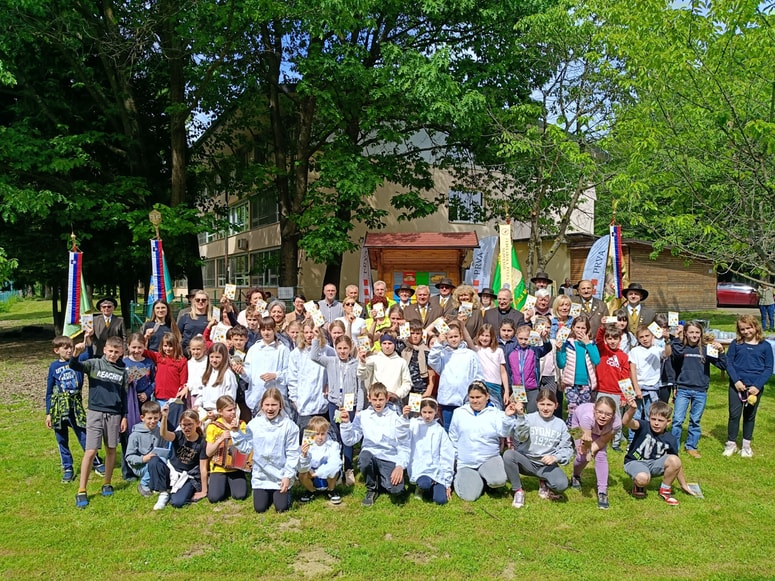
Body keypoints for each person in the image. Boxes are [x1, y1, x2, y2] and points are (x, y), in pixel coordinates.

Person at [69, 335, 128, 508]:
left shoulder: (122, 371)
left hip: (114, 414)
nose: (113, 354)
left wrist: (124, 415)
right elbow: (75, 366)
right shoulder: (94, 364)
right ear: (104, 350)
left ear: (121, 353)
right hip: (95, 412)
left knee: (111, 449)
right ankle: (81, 489)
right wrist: (75, 354)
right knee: (91, 451)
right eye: (110, 351)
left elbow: (123, 395)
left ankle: (107, 482)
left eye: (116, 352)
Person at [45, 335, 104, 483]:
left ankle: (96, 462)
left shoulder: (78, 360)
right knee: (61, 438)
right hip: (59, 406)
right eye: (65, 348)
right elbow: (49, 391)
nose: (69, 351)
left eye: (70, 347)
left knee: (83, 434)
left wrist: (88, 338)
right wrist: (48, 413)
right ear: (56, 350)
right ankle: (67, 467)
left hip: (75, 404)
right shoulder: (54, 367)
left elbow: (89, 352)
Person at [340, 383, 411, 507]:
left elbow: (404, 444)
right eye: (374, 399)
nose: (378, 403)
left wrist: (400, 466)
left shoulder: (395, 417)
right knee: (364, 458)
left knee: (397, 490)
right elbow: (350, 440)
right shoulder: (362, 416)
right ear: (369, 398)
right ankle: (371, 488)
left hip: (389, 457)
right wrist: (346, 424)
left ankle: (382, 480)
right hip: (371, 454)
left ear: (387, 398)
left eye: (381, 399)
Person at [231, 388, 300, 513]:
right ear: (262, 406)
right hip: (261, 475)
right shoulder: (254, 424)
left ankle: (284, 493)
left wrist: (288, 476)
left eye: (274, 405)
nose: (270, 408)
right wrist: (236, 432)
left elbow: (293, 453)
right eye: (267, 405)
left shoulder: (289, 426)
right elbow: (246, 448)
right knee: (260, 508)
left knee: (281, 508)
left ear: (280, 406)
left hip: (280, 474)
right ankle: (266, 494)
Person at [448, 381, 518, 502]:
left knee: (498, 480)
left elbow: (505, 433)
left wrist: (507, 417)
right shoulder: (459, 413)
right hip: (466, 462)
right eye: (472, 397)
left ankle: (486, 478)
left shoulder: (496, 413)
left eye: (478, 397)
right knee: (470, 496)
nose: (475, 401)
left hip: (489, 458)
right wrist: (454, 462)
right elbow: (453, 438)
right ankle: (474, 480)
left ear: (487, 396)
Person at [310, 333, 364, 486]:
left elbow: (361, 387)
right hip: (335, 404)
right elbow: (314, 356)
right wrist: (316, 337)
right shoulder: (330, 361)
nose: (342, 351)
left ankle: (348, 469)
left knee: (348, 437)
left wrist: (358, 407)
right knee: (337, 437)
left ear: (350, 348)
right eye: (339, 348)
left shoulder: (355, 363)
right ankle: (336, 469)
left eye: (345, 348)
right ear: (335, 348)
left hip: (350, 404)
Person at [504, 389, 572, 508]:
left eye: (549, 404)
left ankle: (543, 481)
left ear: (556, 406)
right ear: (537, 404)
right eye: (542, 404)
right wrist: (520, 416)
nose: (545, 408)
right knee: (509, 455)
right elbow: (520, 437)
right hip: (527, 461)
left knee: (561, 484)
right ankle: (518, 491)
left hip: (546, 465)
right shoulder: (528, 418)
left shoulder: (560, 424)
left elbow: (567, 448)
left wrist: (556, 457)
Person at [670, 320, 726, 458]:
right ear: (686, 334)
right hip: (683, 389)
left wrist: (722, 351)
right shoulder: (681, 348)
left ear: (701, 334)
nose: (694, 335)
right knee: (677, 420)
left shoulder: (707, 349)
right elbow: (675, 356)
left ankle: (691, 446)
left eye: (697, 332)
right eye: (691, 332)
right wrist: (677, 336)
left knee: (695, 420)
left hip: (700, 391)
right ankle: (673, 448)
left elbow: (723, 365)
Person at [622, 399, 694, 504]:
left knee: (675, 460)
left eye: (660, 420)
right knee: (642, 479)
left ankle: (665, 490)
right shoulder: (643, 426)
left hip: (653, 465)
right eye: (653, 419)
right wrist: (632, 409)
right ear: (649, 418)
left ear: (668, 422)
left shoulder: (670, 439)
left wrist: (683, 484)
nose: (656, 423)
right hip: (634, 462)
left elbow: (677, 465)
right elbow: (626, 422)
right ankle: (638, 485)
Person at [723, 315, 773, 458]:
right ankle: (731, 444)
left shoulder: (765, 346)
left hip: (754, 388)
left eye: (748, 328)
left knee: (750, 416)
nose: (746, 331)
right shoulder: (736, 344)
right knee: (734, 415)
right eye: (742, 329)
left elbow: (768, 368)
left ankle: (746, 446)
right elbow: (729, 363)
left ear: (755, 327)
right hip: (737, 386)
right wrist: (736, 381)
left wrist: (757, 386)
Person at [147, 407, 208, 510]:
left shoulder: (201, 443)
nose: (186, 428)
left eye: (190, 425)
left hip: (187, 476)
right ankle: (163, 493)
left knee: (177, 502)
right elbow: (164, 434)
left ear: (198, 424)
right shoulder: (179, 435)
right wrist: (165, 417)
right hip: (172, 471)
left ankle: (176, 490)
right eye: (183, 425)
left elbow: (203, 468)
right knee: (154, 460)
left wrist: (204, 491)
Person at [428, 321, 482, 429]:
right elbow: (432, 360)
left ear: (461, 336)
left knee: (464, 428)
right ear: (446, 338)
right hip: (447, 400)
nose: (453, 339)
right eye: (450, 337)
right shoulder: (443, 354)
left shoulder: (470, 354)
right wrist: (438, 343)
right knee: (448, 427)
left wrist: (476, 393)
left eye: (456, 336)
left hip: (465, 400)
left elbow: (478, 375)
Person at [569, 396, 620, 509]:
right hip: (578, 423)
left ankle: (602, 492)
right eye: (600, 412)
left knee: (601, 455)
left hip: (600, 431)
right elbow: (586, 442)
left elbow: (602, 440)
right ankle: (575, 475)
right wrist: (587, 452)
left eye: (608, 414)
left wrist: (592, 451)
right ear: (594, 410)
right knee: (582, 456)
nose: (603, 416)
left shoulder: (616, 424)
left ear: (613, 414)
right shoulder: (587, 418)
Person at [595, 324, 640, 451]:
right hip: (601, 390)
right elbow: (598, 339)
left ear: (620, 340)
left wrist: (624, 396)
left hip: (616, 392)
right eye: (609, 338)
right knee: (599, 415)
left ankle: (616, 442)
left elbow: (625, 377)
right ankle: (598, 438)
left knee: (616, 418)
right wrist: (602, 327)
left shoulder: (624, 357)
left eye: (615, 338)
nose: (612, 341)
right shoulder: (602, 351)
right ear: (606, 339)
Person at [402, 397, 454, 505]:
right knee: (424, 483)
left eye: (430, 412)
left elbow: (447, 455)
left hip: (436, 469)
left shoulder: (439, 430)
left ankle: (434, 484)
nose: (427, 415)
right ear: (420, 412)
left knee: (441, 500)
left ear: (435, 411)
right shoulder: (414, 424)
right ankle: (422, 487)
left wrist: (447, 482)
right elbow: (402, 434)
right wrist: (404, 417)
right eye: (424, 412)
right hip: (420, 467)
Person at [237, 318, 290, 416]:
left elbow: (289, 373)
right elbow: (249, 375)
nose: (266, 333)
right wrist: (242, 372)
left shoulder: (282, 349)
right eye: (263, 330)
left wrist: (275, 375)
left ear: (274, 330)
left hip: (275, 398)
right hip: (257, 396)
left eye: (269, 329)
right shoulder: (254, 349)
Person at [121, 332, 156, 480]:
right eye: (133, 347)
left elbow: (155, 381)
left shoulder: (148, 363)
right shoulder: (123, 363)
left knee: (145, 434)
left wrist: (147, 393)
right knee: (128, 435)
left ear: (144, 347)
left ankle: (145, 466)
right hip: (128, 403)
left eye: (139, 348)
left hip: (144, 403)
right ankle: (128, 470)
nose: (136, 351)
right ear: (128, 346)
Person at [205, 395, 249, 503]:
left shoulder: (242, 424)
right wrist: (220, 439)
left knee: (240, 495)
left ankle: (230, 484)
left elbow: (247, 447)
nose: (233, 412)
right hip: (219, 468)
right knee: (214, 498)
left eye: (234, 409)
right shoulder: (213, 427)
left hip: (236, 467)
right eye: (229, 410)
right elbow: (208, 452)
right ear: (220, 411)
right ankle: (222, 484)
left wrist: (237, 431)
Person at [288, 322, 331, 432]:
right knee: (307, 438)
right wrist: (294, 399)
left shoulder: (327, 351)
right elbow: (292, 377)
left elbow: (335, 370)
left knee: (322, 436)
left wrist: (330, 385)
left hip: (322, 403)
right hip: (304, 403)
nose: (309, 335)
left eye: (312, 332)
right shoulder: (296, 353)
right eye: (306, 332)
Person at [556, 316, 600, 424]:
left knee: (584, 410)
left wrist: (588, 344)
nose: (580, 331)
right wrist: (558, 351)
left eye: (583, 328)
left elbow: (596, 360)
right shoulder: (568, 344)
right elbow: (561, 364)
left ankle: (583, 435)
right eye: (578, 327)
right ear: (573, 328)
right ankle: (572, 436)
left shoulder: (591, 343)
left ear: (587, 330)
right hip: (571, 383)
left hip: (586, 384)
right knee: (573, 410)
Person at [629, 325, 670, 430]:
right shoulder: (635, 351)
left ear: (653, 336)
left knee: (650, 415)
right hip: (638, 387)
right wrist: (636, 388)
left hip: (653, 387)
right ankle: (632, 440)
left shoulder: (657, 349)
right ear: (638, 339)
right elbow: (632, 370)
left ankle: (649, 437)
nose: (645, 339)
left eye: (647, 336)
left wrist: (667, 340)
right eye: (641, 337)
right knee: (636, 415)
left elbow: (667, 353)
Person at [357, 334, 412, 411]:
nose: (387, 346)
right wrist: (362, 362)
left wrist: (397, 394)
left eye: (390, 343)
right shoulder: (373, 359)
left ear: (394, 344)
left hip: (393, 403)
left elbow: (407, 383)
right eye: (384, 343)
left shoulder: (401, 362)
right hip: (376, 401)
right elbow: (362, 376)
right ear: (380, 345)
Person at [143, 332, 188, 423]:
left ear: (176, 346)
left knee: (172, 425)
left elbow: (183, 381)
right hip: (158, 398)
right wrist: (146, 338)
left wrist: (182, 391)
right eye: (165, 346)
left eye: (170, 346)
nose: (167, 348)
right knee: (159, 425)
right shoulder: (159, 357)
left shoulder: (181, 361)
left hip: (173, 399)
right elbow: (144, 352)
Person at [508, 323, 552, 413]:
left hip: (532, 388)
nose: (523, 341)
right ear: (516, 336)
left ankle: (532, 427)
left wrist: (544, 338)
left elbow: (547, 348)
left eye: (526, 339)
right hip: (518, 388)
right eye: (521, 339)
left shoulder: (534, 350)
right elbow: (509, 371)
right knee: (518, 413)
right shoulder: (512, 353)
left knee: (532, 413)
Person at [298, 416, 343, 504]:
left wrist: (317, 473)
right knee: (302, 473)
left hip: (326, 474)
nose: (320, 437)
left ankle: (331, 490)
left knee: (335, 469)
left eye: (323, 434)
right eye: (317, 434)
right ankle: (311, 491)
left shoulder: (333, 444)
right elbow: (301, 465)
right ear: (312, 433)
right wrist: (304, 454)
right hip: (311, 473)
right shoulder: (306, 444)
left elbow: (334, 462)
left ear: (327, 432)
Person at [464, 323, 510, 410]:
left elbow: (503, 372)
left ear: (492, 337)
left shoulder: (499, 351)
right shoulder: (476, 349)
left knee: (496, 409)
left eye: (487, 336)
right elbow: (468, 338)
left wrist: (506, 391)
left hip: (495, 385)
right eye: (482, 335)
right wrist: (462, 325)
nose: (484, 338)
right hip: (480, 383)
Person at [124, 400, 163, 497]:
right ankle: (144, 484)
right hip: (140, 465)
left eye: (156, 418)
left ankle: (158, 483)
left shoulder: (160, 431)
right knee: (154, 464)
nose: (153, 421)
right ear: (142, 418)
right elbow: (129, 457)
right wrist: (143, 458)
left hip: (156, 461)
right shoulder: (135, 435)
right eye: (149, 418)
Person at [195, 342, 238, 422]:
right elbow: (201, 393)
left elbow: (230, 399)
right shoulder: (207, 373)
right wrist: (197, 405)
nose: (214, 360)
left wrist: (216, 412)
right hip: (205, 413)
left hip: (220, 415)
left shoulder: (228, 375)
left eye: (218, 357)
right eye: (212, 357)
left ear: (224, 357)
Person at [400, 320, 433, 398]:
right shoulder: (402, 347)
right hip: (404, 390)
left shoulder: (426, 351)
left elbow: (431, 374)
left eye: (418, 333)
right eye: (412, 333)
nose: (415, 336)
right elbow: (389, 339)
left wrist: (429, 390)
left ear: (422, 334)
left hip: (420, 390)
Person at [178, 290, 212, 356]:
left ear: (207, 302)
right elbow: (177, 335)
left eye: (203, 300)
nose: (200, 302)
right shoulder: (185, 317)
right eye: (197, 300)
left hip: (205, 353)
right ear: (194, 302)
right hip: (186, 352)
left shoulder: (212, 319)